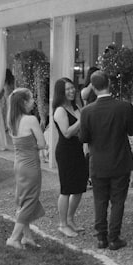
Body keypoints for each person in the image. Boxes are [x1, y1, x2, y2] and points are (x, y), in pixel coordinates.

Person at [79, 71, 133, 250]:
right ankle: (114, 237)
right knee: (118, 200)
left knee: (100, 200)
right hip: (119, 159)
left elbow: (84, 138)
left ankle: (101, 237)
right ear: (109, 84)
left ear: (93, 87)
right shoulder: (124, 107)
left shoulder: (87, 111)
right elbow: (132, 130)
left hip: (98, 161)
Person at [6, 88, 47, 249]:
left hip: (19, 164)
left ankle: (27, 237)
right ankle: (14, 238)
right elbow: (42, 143)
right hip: (30, 165)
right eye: (31, 99)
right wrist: (39, 146)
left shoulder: (12, 120)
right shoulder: (30, 120)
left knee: (23, 199)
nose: (34, 102)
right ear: (23, 102)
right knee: (29, 200)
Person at [51, 77, 87, 237]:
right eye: (68, 89)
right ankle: (62, 223)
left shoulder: (76, 107)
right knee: (66, 189)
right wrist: (81, 119)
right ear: (61, 92)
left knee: (79, 187)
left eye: (73, 88)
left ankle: (71, 219)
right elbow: (67, 132)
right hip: (66, 152)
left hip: (78, 150)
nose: (72, 91)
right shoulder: (60, 110)